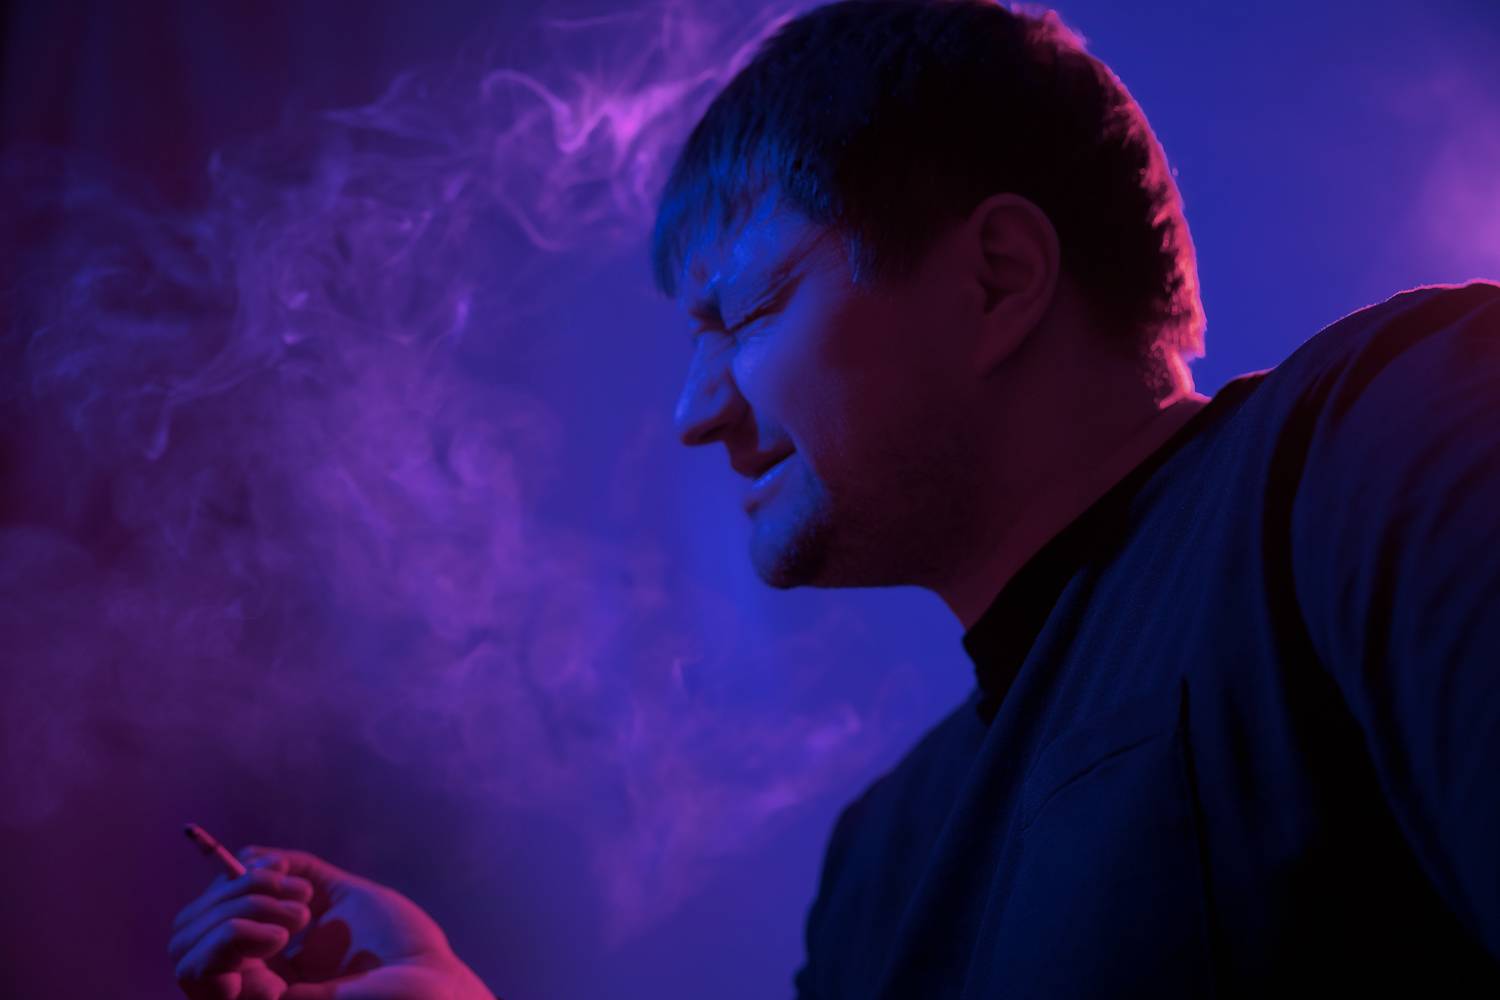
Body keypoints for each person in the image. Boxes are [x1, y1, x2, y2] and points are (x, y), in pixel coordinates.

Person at [170, 0, 1500, 996]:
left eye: (747, 310)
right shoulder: (884, 864)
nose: (696, 411)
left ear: (996, 277)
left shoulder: (1388, 433)